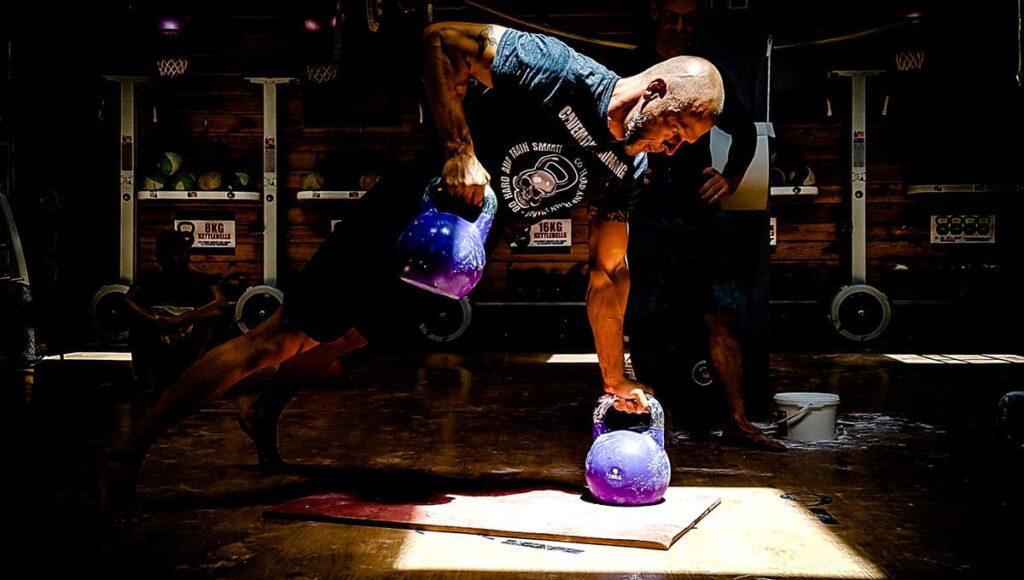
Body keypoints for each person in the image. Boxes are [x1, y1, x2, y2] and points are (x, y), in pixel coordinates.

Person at [98, 21, 726, 510]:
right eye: (678, 131)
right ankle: (130, 449)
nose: (673, 148)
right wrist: (459, 151)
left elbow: (609, 274)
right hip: (403, 217)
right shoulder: (560, 71)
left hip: (448, 262)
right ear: (658, 90)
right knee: (278, 339)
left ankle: (263, 411)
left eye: (683, 144)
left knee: (343, 341)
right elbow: (440, 40)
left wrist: (615, 378)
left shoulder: (631, 169)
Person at [617, 0, 786, 451]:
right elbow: (605, 133)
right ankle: (662, 424)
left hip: (699, 215)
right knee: (649, 324)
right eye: (672, 17)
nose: (679, 27)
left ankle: (737, 420)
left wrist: (730, 176)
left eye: (689, 19)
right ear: (654, 12)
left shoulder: (704, 74)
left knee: (723, 317)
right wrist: (626, 171)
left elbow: (747, 130)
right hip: (647, 215)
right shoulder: (632, 69)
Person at [123, 230, 229, 395]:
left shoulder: (202, 280)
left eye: (184, 252)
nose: (183, 256)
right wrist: (154, 320)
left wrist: (182, 319)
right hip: (158, 327)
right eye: (177, 252)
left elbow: (221, 303)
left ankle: (194, 376)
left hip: (188, 328)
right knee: (136, 321)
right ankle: (149, 381)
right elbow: (127, 301)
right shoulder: (149, 279)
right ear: (162, 255)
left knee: (215, 318)